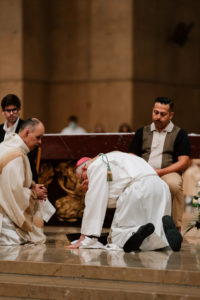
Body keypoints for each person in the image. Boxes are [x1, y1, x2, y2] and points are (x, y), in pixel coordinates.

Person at [66, 151, 183, 252]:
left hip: (138, 189)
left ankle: (135, 231)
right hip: (161, 187)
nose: (83, 183)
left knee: (118, 236)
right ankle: (167, 239)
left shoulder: (95, 166)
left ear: (85, 168)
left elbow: (95, 202)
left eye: (82, 179)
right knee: (157, 228)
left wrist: (85, 238)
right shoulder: (119, 156)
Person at [129, 97, 190, 232]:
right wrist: (140, 170)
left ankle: (174, 229)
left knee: (174, 185)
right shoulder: (142, 132)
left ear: (171, 115)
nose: (158, 117)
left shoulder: (179, 133)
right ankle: (133, 228)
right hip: (143, 172)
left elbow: (184, 162)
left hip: (168, 172)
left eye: (163, 114)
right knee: (129, 186)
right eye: (155, 113)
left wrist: (161, 172)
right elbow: (132, 156)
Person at [0, 118, 53, 245]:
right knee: (20, 239)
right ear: (27, 133)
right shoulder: (16, 155)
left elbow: (8, 182)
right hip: (4, 215)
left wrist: (32, 185)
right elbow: (14, 192)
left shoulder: (6, 145)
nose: (40, 142)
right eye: (38, 137)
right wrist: (35, 194)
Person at [0, 94, 38, 182]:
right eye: (8, 110)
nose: (11, 113)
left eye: (14, 110)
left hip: (22, 172)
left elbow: (31, 154)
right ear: (3, 111)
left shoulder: (27, 128)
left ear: (19, 110)